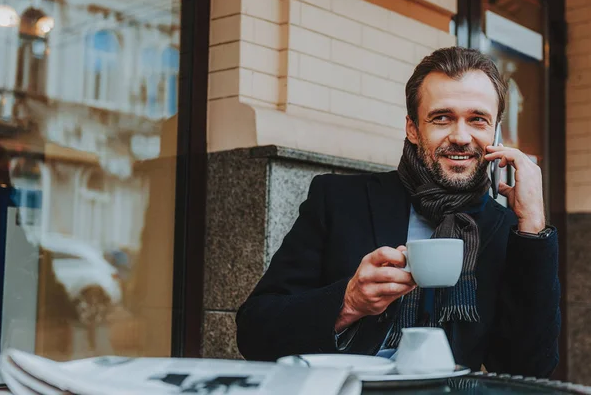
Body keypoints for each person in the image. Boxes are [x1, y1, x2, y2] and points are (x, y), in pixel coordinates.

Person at [235, 46, 560, 378]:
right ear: (413, 129)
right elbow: (253, 332)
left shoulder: (507, 230)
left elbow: (529, 368)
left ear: (494, 132)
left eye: (477, 119)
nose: (461, 137)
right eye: (442, 117)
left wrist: (533, 224)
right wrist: (347, 304)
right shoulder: (339, 199)